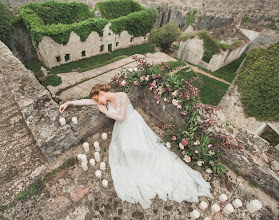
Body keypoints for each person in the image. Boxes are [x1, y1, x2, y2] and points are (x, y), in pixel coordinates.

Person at [59, 83, 213, 209]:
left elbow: (122, 116)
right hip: (121, 129)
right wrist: (69, 103)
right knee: (125, 151)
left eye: (97, 99)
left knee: (142, 150)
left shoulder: (122, 96)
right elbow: (87, 102)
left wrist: (105, 112)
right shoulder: (102, 101)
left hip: (133, 124)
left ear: (101, 92)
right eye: (97, 101)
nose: (98, 102)